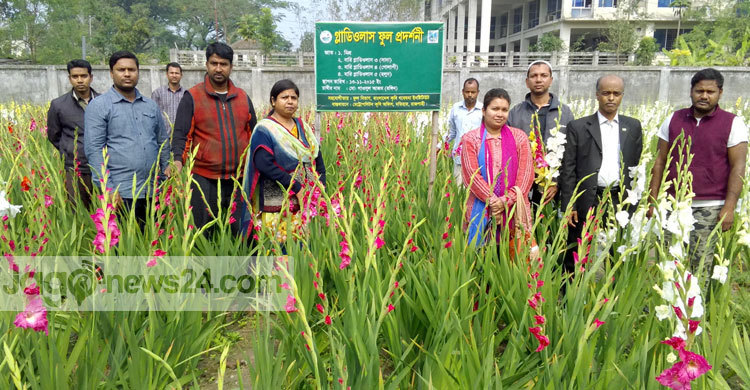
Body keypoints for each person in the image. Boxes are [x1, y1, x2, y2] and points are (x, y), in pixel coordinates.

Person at [649, 68, 748, 272]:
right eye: (699, 90)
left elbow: (738, 167)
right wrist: (653, 201)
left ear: (720, 93)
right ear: (691, 91)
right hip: (672, 205)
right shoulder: (674, 119)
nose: (704, 96)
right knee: (666, 263)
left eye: (710, 92)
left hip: (710, 208)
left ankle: (695, 304)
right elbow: (660, 161)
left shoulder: (732, 123)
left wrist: (729, 207)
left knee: (700, 266)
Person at [172, 42, 257, 234]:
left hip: (238, 178)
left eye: (224, 64)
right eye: (214, 63)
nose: (218, 68)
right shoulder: (192, 96)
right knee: (203, 233)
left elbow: (253, 135)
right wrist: (178, 160)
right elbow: (181, 134)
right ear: (207, 65)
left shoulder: (243, 98)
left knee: (241, 233)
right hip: (204, 178)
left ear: (231, 67)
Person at [560, 75, 643, 272]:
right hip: (587, 199)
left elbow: (635, 166)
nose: (611, 98)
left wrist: (634, 201)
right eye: (606, 93)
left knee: (616, 254)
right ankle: (570, 298)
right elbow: (568, 168)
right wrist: (569, 203)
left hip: (618, 199)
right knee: (578, 252)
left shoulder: (632, 126)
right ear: (597, 95)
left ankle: (612, 298)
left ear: (622, 96)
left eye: (616, 93)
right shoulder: (578, 127)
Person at [84, 51, 170, 221]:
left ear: (138, 72)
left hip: (153, 191)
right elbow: (94, 150)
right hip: (121, 194)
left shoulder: (150, 106)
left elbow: (162, 141)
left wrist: (167, 172)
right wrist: (108, 190)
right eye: (121, 70)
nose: (127, 74)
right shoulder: (99, 106)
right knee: (125, 246)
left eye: (132, 69)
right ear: (111, 73)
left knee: (153, 243)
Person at [240, 79, 326, 241]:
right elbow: (264, 164)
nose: (290, 102)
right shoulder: (265, 129)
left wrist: (321, 190)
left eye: (293, 98)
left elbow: (317, 160)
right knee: (279, 255)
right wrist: (297, 187)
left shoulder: (304, 127)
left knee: (305, 253)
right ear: (273, 101)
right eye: (284, 97)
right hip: (277, 205)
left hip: (305, 203)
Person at [461, 88, 534, 252]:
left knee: (513, 263)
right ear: (484, 110)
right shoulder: (471, 139)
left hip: (514, 212)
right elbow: (471, 178)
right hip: (480, 210)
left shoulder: (519, 137)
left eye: (504, 110)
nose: (500, 114)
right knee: (480, 259)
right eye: (495, 109)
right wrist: (494, 202)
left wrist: (505, 201)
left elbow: (526, 177)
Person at [508, 60, 574, 204]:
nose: (538, 79)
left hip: (554, 188)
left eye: (543, 75)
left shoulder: (564, 113)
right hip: (522, 188)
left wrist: (557, 182)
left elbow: (571, 153)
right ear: (527, 82)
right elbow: (508, 151)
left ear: (551, 80)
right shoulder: (515, 113)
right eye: (534, 76)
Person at [47, 59, 100, 209]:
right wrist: (70, 149)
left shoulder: (104, 101)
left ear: (91, 77)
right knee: (78, 211)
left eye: (83, 76)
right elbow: (54, 135)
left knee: (106, 212)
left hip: (103, 166)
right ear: (69, 78)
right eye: (75, 77)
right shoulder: (58, 105)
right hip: (75, 168)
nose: (80, 80)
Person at [445, 78, 483, 186]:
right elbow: (452, 132)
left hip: (477, 161)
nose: (470, 95)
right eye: (467, 92)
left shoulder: (483, 110)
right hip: (459, 159)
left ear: (477, 92)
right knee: (458, 192)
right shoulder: (456, 108)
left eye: (473, 92)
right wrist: (439, 145)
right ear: (462, 92)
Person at [151, 62, 185, 129]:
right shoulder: (157, 93)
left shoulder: (186, 94)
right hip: (163, 136)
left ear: (181, 75)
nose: (174, 75)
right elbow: (153, 115)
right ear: (167, 74)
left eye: (177, 73)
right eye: (171, 73)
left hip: (182, 136)